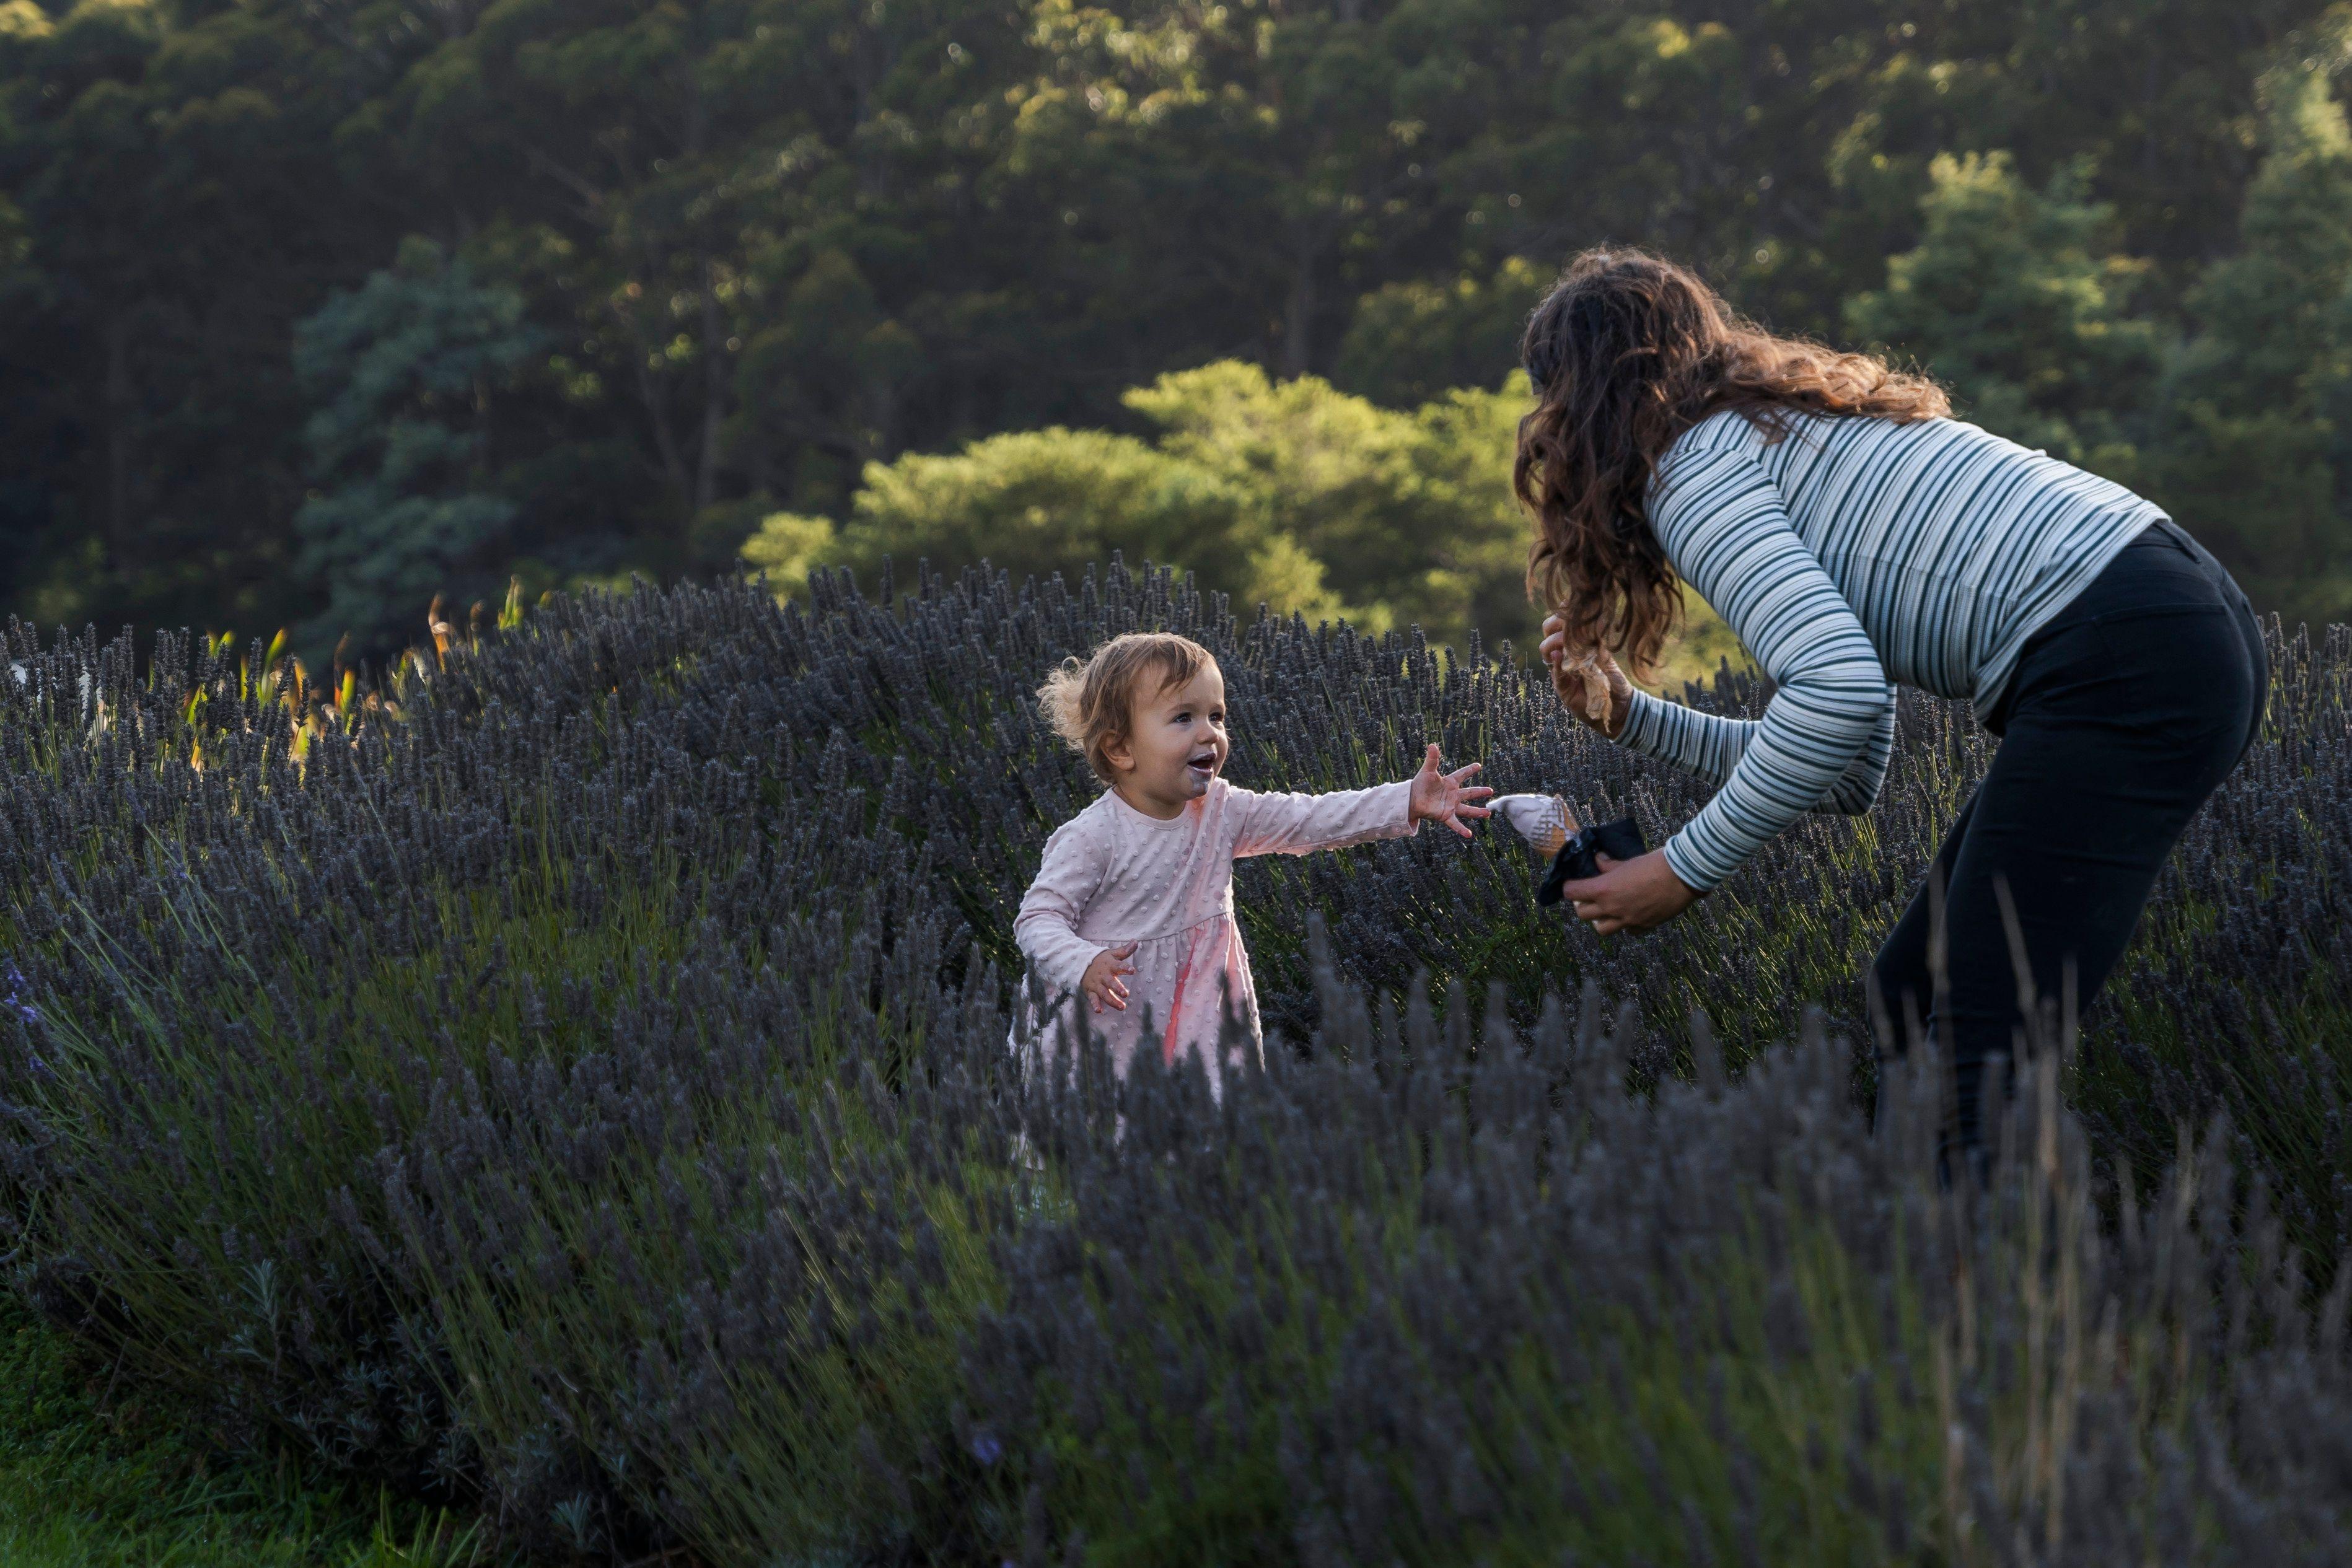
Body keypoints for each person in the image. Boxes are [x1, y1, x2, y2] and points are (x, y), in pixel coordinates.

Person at [1517, 248, 2266, 1151]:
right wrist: (1636, 717)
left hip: (2123, 651)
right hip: (2176, 615)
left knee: (1972, 1051)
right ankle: (1920, 1233)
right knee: (1911, 999)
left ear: (1579, 404)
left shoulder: (1696, 472)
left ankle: (1967, 1246)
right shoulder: (1779, 426)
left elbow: (1832, 694)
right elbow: (1848, 767)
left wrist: (1680, 869)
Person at [1014, 631, 1492, 1082]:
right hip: (1108, 1024)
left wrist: (1406, 800)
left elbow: (1310, 818)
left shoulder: (1220, 810)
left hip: (1202, 1014)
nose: (1209, 733)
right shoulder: (1093, 837)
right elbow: (1037, 919)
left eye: (1216, 716)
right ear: (1121, 748)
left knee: (1211, 1122)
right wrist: (1083, 962)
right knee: (1102, 1129)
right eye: (1183, 718)